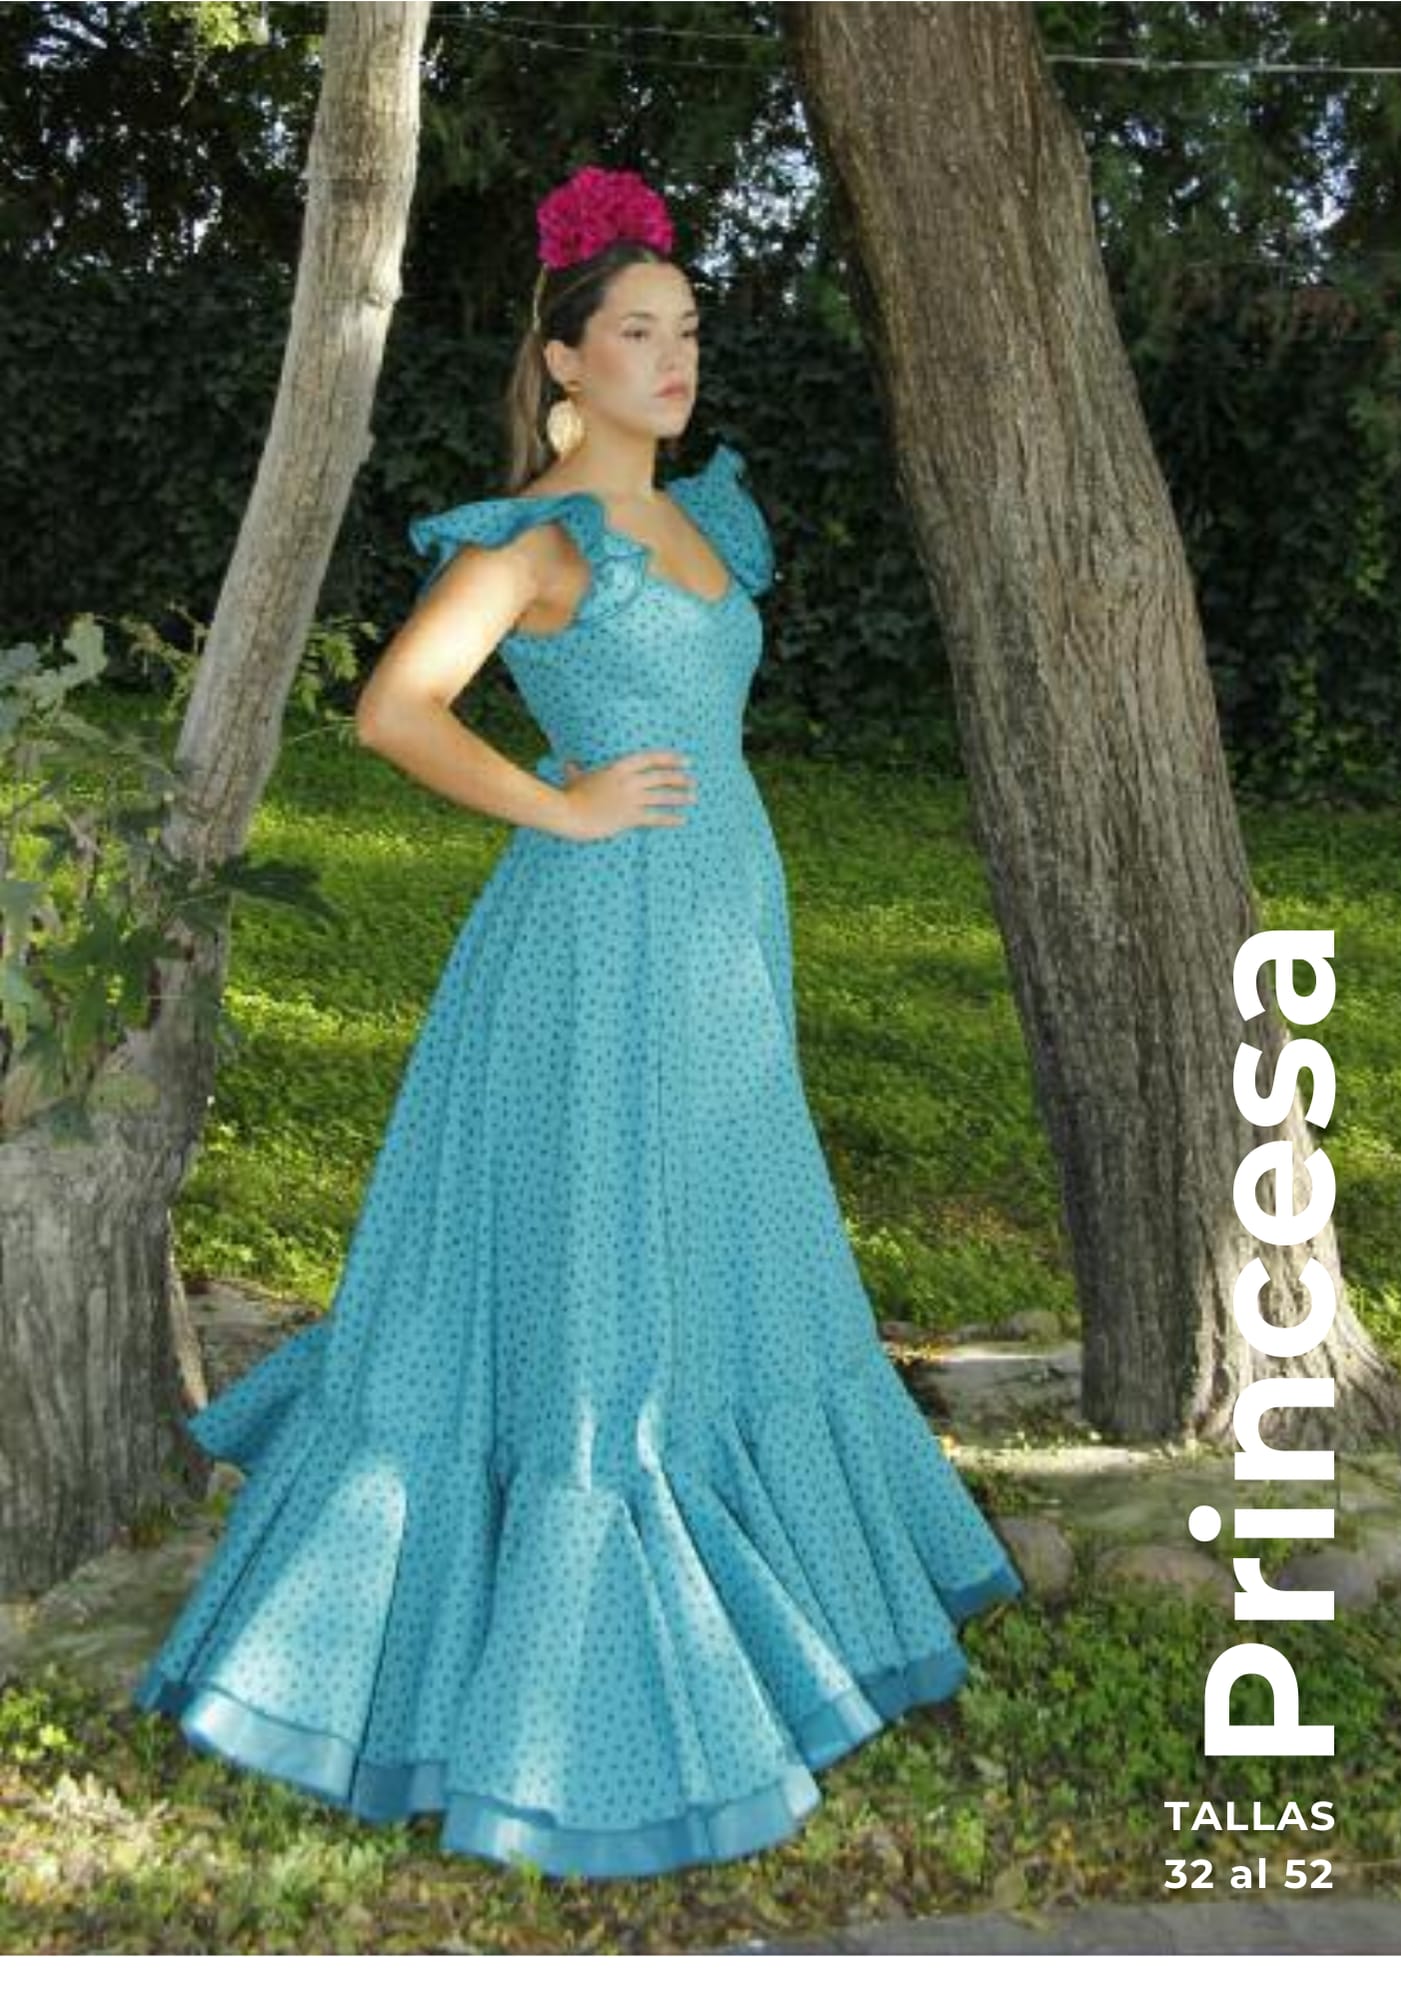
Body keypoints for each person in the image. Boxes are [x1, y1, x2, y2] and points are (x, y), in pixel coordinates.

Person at [131, 165, 1024, 1880]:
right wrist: (564, 804)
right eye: (638, 333)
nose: (673, 359)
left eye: (687, 330)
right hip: (598, 942)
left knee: (720, 1233)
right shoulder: (539, 539)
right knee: (605, 1250)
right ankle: (568, 1629)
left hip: (722, 930)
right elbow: (397, 709)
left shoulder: (707, 521)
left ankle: (779, 1577)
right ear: (563, 362)